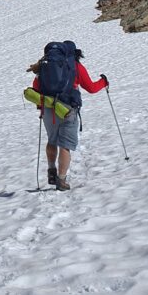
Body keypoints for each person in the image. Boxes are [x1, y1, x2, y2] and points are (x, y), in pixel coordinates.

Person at [29, 40, 108, 191]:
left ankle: (51, 169)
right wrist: (103, 82)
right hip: (67, 109)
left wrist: (41, 106)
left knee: (52, 140)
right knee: (65, 145)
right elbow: (91, 88)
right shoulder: (75, 67)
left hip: (48, 108)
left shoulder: (45, 66)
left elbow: (37, 86)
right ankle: (62, 180)